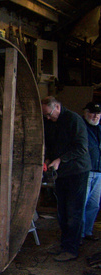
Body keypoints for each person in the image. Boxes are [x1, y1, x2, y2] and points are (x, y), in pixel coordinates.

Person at [41, 96, 91, 262]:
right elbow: (51, 145)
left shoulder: (74, 120)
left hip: (77, 171)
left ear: (56, 107)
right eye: (45, 116)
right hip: (61, 173)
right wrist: (48, 159)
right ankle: (65, 244)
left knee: (73, 211)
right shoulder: (50, 122)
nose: (47, 118)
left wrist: (61, 159)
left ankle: (72, 249)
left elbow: (81, 147)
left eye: (49, 114)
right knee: (62, 211)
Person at [82, 102, 101, 242]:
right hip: (85, 171)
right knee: (81, 203)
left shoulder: (100, 128)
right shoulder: (81, 127)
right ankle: (79, 234)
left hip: (99, 172)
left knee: (94, 205)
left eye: (98, 113)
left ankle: (87, 231)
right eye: (92, 113)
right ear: (85, 112)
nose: (95, 116)